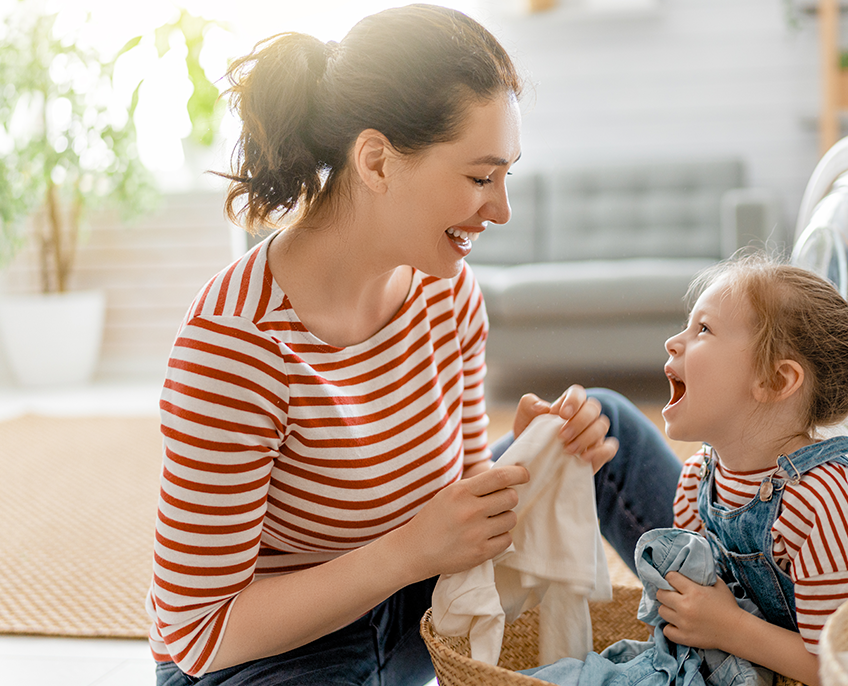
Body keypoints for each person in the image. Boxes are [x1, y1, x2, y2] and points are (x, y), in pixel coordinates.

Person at [146, 6, 682, 685]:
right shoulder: (235, 345)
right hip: (270, 655)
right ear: (375, 162)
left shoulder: (446, 294)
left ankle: (756, 628)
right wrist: (406, 553)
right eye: (481, 177)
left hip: (409, 596)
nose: (502, 209)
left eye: (507, 175)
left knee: (602, 423)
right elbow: (200, 633)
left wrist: (525, 467)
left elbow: (450, 503)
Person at [655, 252, 848, 685]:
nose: (674, 341)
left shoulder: (823, 506)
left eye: (703, 329)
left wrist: (729, 628)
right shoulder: (698, 478)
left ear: (777, 381)